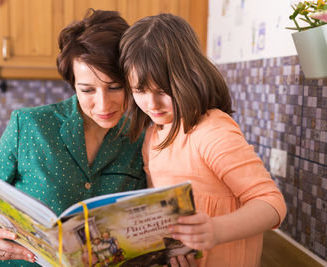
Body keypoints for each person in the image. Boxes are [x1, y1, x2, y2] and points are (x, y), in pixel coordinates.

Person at [0, 9, 146, 266]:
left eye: (115, 87)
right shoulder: (31, 126)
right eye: (87, 89)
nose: (103, 104)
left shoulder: (140, 140)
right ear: (73, 83)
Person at [120, 13, 287, 267]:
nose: (151, 104)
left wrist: (216, 230)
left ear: (188, 77)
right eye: (140, 91)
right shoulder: (153, 136)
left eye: (163, 91)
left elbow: (271, 203)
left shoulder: (212, 130)